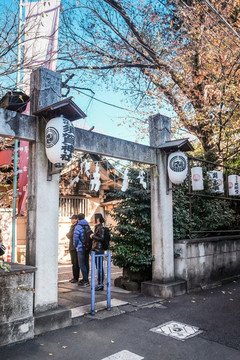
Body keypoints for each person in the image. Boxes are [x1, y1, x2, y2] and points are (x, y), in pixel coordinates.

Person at [73, 213, 90, 287]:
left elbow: (76, 238)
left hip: (80, 248)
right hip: (87, 247)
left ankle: (85, 280)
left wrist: (75, 245)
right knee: (86, 264)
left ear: (78, 219)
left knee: (81, 264)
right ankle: (86, 279)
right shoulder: (87, 225)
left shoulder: (78, 227)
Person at [90, 213, 105, 291]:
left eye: (94, 218)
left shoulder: (100, 227)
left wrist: (93, 236)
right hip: (96, 249)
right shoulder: (97, 227)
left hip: (99, 249)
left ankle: (100, 284)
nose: (93, 220)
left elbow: (102, 238)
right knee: (98, 267)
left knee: (99, 267)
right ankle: (99, 283)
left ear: (98, 219)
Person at [66, 215, 79, 283]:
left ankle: (76, 278)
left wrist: (68, 235)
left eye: (73, 219)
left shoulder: (76, 227)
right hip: (72, 246)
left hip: (74, 247)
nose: (71, 220)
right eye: (71, 219)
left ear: (76, 219)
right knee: (74, 263)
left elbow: (70, 235)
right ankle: (75, 277)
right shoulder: (72, 226)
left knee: (76, 263)